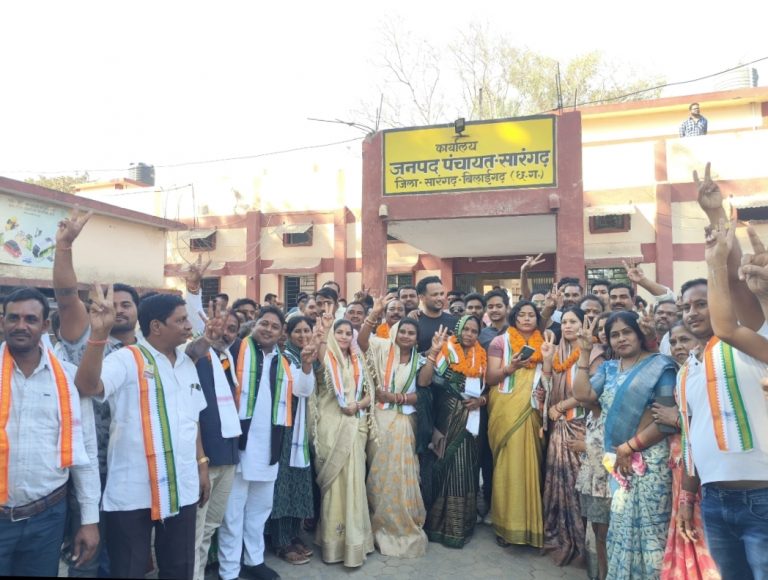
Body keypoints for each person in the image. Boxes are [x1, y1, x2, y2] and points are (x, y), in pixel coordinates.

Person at [75, 290, 211, 580]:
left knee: (179, 569)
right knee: (129, 570)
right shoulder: (127, 359)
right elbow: (87, 387)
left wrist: (202, 465)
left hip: (182, 486)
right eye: (181, 320)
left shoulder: (186, 363)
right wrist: (98, 335)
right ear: (156, 326)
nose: (189, 326)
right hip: (133, 491)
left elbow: (192, 419)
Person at [674, 220, 768, 578]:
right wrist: (687, 497)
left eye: (702, 303)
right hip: (714, 501)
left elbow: (735, 299)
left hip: (762, 496)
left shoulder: (750, 346)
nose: (693, 312)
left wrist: (718, 254)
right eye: (687, 307)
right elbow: (693, 438)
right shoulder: (687, 369)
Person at [54, 210, 139, 578]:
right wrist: (64, 247)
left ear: (138, 312)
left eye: (124, 304)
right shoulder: (84, 342)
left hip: (135, 471)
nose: (114, 310)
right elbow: (65, 298)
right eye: (107, 303)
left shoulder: (149, 353)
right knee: (88, 556)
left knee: (127, 558)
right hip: (93, 470)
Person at [0, 287, 100, 577]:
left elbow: (86, 451)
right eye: (13, 318)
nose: (21, 325)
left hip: (47, 519)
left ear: (45, 325)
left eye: (30, 319)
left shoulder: (69, 377)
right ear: (3, 322)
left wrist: (89, 520)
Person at [573, 311, 677, 579]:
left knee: (650, 534)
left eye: (627, 332)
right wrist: (584, 353)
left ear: (639, 334)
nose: (621, 339)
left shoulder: (661, 366)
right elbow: (583, 395)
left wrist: (630, 447)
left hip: (651, 463)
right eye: (614, 335)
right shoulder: (609, 368)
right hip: (618, 463)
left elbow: (665, 421)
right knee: (620, 527)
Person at [217, 306, 316, 580]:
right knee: (233, 513)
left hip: (269, 447)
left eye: (275, 326)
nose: (268, 329)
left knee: (260, 510)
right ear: (254, 324)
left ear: (281, 332)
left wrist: (307, 364)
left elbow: (303, 390)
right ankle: (229, 570)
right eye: (264, 323)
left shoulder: (283, 362)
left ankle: (254, 560)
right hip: (238, 446)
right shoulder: (237, 349)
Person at [358, 299, 444, 558]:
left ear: (417, 338)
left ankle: (402, 524)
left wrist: (434, 353)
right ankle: (378, 524)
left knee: (405, 475)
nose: (406, 336)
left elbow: (424, 387)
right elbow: (362, 342)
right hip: (380, 423)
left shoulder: (420, 359)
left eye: (411, 333)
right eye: (402, 331)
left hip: (406, 422)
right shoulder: (382, 349)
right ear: (395, 333)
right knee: (379, 476)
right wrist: (373, 314)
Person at [651, 322, 720, 580]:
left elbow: (713, 421)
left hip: (703, 467)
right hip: (681, 467)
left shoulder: (708, 371)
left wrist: (677, 420)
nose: (679, 346)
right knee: (685, 523)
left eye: (685, 340)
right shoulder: (682, 373)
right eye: (674, 341)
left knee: (702, 529)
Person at [312, 316, 374, 567]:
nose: (345, 337)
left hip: (355, 425)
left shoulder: (358, 360)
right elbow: (322, 355)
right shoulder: (326, 357)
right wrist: (325, 330)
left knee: (354, 482)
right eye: (340, 332)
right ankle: (333, 544)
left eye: (349, 333)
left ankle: (356, 542)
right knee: (335, 486)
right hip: (331, 427)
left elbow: (369, 393)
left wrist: (357, 405)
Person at [485, 300, 544, 549]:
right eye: (522, 314)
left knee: (532, 466)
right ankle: (505, 525)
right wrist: (511, 367)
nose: (527, 318)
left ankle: (531, 526)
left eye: (532, 315)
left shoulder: (546, 341)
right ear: (514, 318)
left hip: (534, 408)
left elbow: (551, 373)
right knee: (507, 467)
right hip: (506, 408)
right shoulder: (500, 342)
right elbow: (490, 377)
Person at [189, 305, 243, 580]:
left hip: (228, 456)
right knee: (194, 534)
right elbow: (191, 351)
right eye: (220, 327)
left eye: (231, 329)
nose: (225, 334)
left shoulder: (228, 360)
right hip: (204, 460)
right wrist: (205, 340)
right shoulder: (197, 358)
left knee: (209, 529)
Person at [424, 315, 487, 548]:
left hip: (471, 420)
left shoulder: (482, 356)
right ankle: (439, 525)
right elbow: (430, 381)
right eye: (466, 329)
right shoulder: (446, 351)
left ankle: (461, 525)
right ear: (459, 330)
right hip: (446, 416)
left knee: (465, 466)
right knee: (444, 463)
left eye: (474, 331)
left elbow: (488, 388)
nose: (470, 334)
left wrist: (480, 400)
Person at [267, 316, 319, 566]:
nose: (303, 335)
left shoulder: (303, 356)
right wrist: (307, 365)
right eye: (297, 331)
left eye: (307, 330)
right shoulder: (284, 358)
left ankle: (292, 533)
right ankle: (280, 540)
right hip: (286, 428)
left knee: (298, 481)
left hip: (301, 427)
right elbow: (301, 390)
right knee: (284, 484)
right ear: (287, 334)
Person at [541, 307, 587, 566]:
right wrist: (548, 360)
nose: (568, 326)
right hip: (558, 426)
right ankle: (560, 534)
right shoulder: (558, 351)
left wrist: (562, 406)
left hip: (580, 426)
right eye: (565, 322)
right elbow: (546, 384)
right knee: (559, 483)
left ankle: (581, 542)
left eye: (574, 322)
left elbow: (592, 389)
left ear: (583, 325)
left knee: (577, 484)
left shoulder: (593, 352)